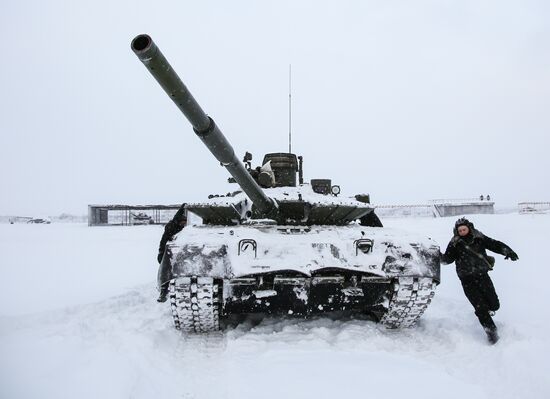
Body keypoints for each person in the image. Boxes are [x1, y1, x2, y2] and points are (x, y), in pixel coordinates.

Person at [440, 217, 518, 344]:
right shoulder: (455, 243)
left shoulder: (479, 238)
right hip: (466, 279)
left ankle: (486, 311)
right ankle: (491, 333)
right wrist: (437, 255)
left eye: (464, 229)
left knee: (494, 305)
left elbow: (495, 245)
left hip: (482, 275)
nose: (462, 232)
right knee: (480, 307)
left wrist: (508, 251)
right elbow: (447, 259)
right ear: (456, 231)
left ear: (469, 228)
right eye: (460, 230)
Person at [156, 203, 187, 302]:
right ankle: (163, 292)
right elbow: (163, 241)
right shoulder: (171, 227)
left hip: (184, 254)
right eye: (182, 222)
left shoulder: (186, 228)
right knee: (167, 271)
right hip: (173, 254)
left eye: (185, 222)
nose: (184, 224)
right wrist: (161, 253)